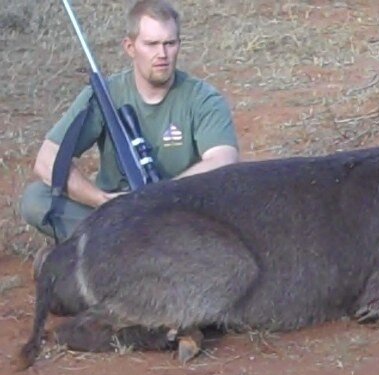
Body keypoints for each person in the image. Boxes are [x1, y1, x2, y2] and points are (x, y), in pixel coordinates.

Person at [19, 0, 239, 243]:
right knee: (37, 199)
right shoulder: (106, 94)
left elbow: (223, 160)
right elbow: (47, 159)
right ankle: (129, 245)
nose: (162, 54)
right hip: (113, 213)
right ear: (130, 47)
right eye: (151, 44)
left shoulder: (203, 97)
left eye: (170, 43)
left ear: (179, 44)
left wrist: (158, 195)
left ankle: (114, 248)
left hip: (177, 210)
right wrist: (101, 199)